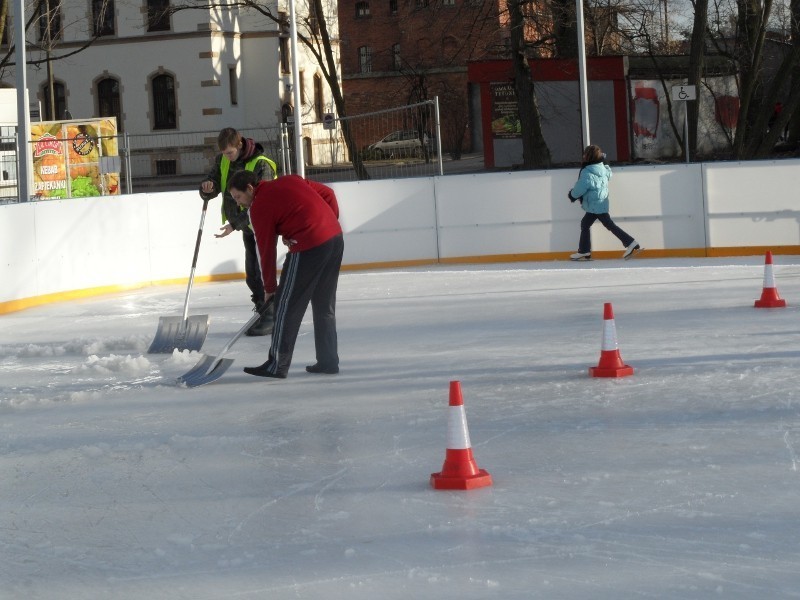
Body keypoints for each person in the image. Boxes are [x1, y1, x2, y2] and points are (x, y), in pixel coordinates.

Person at [227, 170, 344, 379]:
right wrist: (327, 223)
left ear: (250, 189)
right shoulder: (291, 179)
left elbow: (266, 249)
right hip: (334, 240)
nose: (239, 203)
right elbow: (328, 194)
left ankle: (276, 365)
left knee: (285, 306)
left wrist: (270, 290)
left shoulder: (259, 206)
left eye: (239, 197)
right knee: (324, 305)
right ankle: (328, 361)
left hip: (309, 246)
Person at [199, 128, 278, 335]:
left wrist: (235, 224)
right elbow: (216, 182)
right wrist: (207, 187)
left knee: (260, 271)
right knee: (252, 274)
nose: (227, 157)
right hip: (248, 226)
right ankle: (263, 310)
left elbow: (263, 204)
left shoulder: (261, 164)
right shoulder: (223, 160)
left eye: (230, 153)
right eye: (224, 153)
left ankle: (271, 315)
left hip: (262, 224)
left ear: (240, 145)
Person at [568, 144, 641, 261]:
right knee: (585, 224)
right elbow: (609, 172)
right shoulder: (603, 168)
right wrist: (604, 160)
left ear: (588, 157)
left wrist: (572, 195)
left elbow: (580, 188)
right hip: (600, 204)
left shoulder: (587, 172)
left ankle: (631, 243)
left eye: (585, 154)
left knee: (608, 225)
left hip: (595, 206)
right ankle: (584, 251)